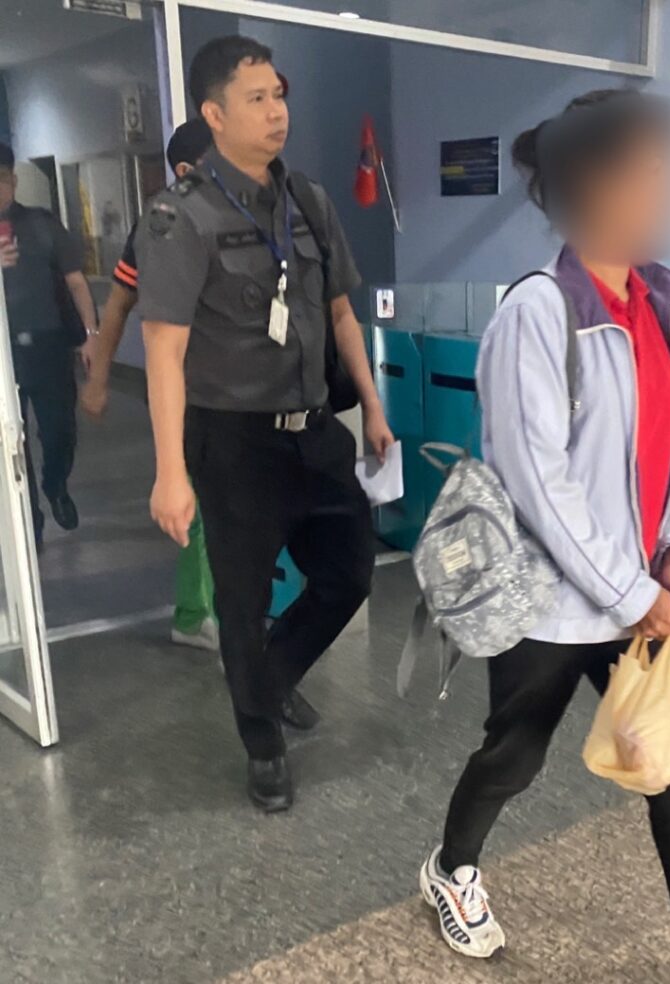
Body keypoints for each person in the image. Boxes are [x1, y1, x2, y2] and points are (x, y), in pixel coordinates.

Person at [417, 91, 670, 984]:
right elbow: (539, 481)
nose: (664, 187)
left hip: (640, 597)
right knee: (514, 756)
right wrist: (630, 590)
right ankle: (451, 868)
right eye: (647, 169)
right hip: (552, 603)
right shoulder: (537, 312)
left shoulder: (659, 304)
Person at [136, 36, 393, 812]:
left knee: (349, 573)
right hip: (234, 443)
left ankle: (271, 680)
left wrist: (373, 407)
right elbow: (163, 350)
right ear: (214, 115)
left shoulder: (309, 201)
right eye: (256, 98)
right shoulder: (179, 217)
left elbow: (340, 312)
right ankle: (263, 747)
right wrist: (170, 472)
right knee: (243, 604)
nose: (277, 111)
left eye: (279, 95)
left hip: (314, 428)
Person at [81, 118, 220, 654]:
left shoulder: (241, 215)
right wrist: (99, 380)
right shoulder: (159, 229)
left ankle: (218, 606)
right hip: (188, 390)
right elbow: (118, 306)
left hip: (238, 390)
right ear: (185, 170)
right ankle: (195, 614)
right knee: (201, 504)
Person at [0, 141, 99, 546]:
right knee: (10, 442)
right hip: (2, 355)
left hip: (49, 347)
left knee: (60, 431)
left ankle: (55, 483)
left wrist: (91, 335)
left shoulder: (42, 224)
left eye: (2, 180)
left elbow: (76, 281)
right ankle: (30, 519)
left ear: (13, 180)